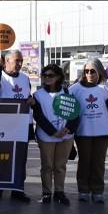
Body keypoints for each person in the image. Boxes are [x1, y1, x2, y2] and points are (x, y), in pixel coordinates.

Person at [0, 50, 33, 203]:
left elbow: (28, 97)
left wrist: (31, 100)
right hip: (4, 126)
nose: (19, 64)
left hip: (22, 125)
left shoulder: (26, 78)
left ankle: (17, 189)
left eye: (21, 60)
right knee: (1, 159)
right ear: (6, 61)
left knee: (20, 160)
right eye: (16, 60)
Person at [69, 58, 108, 203]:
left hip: (103, 132)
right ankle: (83, 190)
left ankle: (98, 191)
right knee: (84, 162)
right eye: (86, 71)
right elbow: (68, 110)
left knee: (98, 163)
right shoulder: (74, 89)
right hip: (83, 133)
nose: (89, 74)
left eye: (92, 71)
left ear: (99, 71)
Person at [31, 64, 78, 205]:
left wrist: (67, 129)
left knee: (60, 166)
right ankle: (46, 193)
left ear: (58, 77)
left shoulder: (67, 92)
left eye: (50, 75)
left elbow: (74, 114)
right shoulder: (37, 95)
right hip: (46, 136)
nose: (47, 78)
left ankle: (59, 192)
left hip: (66, 136)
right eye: (44, 75)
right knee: (47, 166)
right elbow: (38, 117)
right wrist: (53, 132)